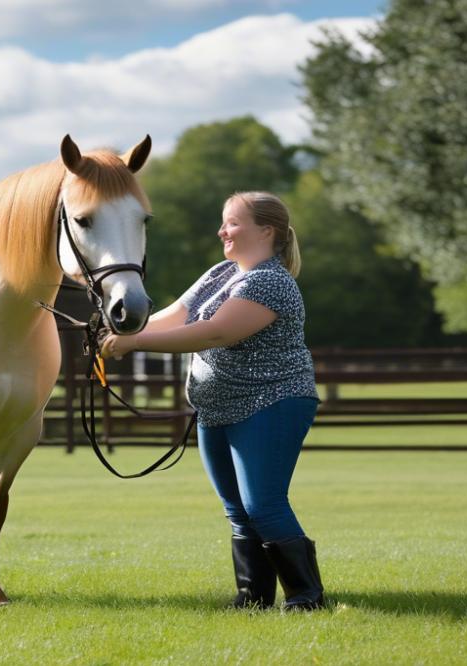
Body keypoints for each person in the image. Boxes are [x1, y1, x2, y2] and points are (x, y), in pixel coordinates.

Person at [100, 191, 325, 611]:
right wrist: (121, 327)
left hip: (272, 401)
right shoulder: (224, 272)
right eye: (224, 222)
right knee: (238, 509)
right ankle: (252, 599)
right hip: (217, 408)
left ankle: (306, 598)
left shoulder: (270, 281)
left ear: (266, 230)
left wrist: (136, 344)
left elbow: (215, 332)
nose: (222, 230)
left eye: (232, 223)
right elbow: (177, 316)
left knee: (263, 504)